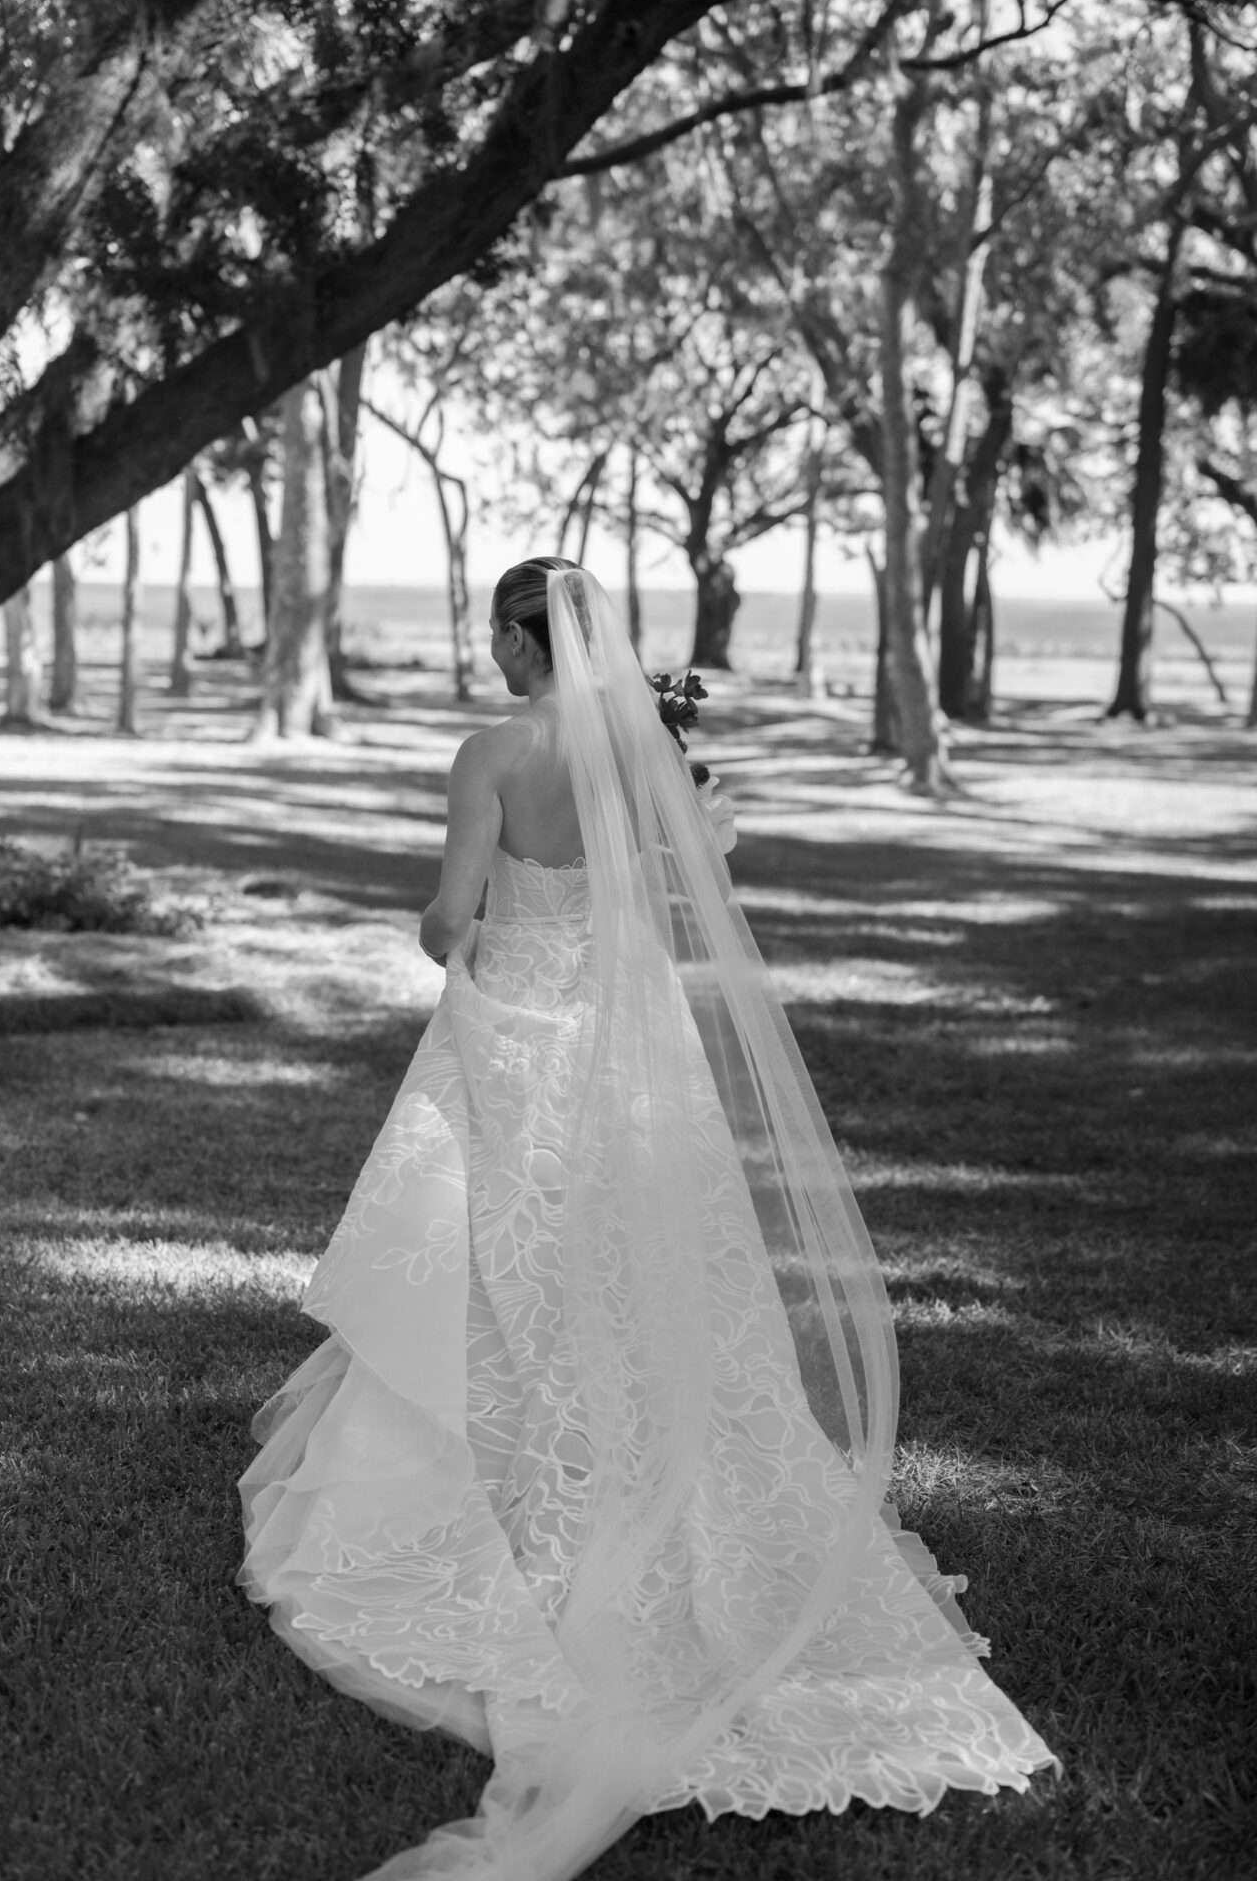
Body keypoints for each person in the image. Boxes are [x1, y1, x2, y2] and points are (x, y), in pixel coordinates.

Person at [238, 560, 1055, 1881]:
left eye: (499, 636)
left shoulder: (493, 752)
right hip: (631, 1052)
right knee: (627, 1264)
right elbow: (686, 888)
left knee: (489, 1262)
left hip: (512, 1036)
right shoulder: (646, 757)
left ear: (523, 636)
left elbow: (453, 921)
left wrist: (438, 921)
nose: (495, 658)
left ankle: (483, 1488)